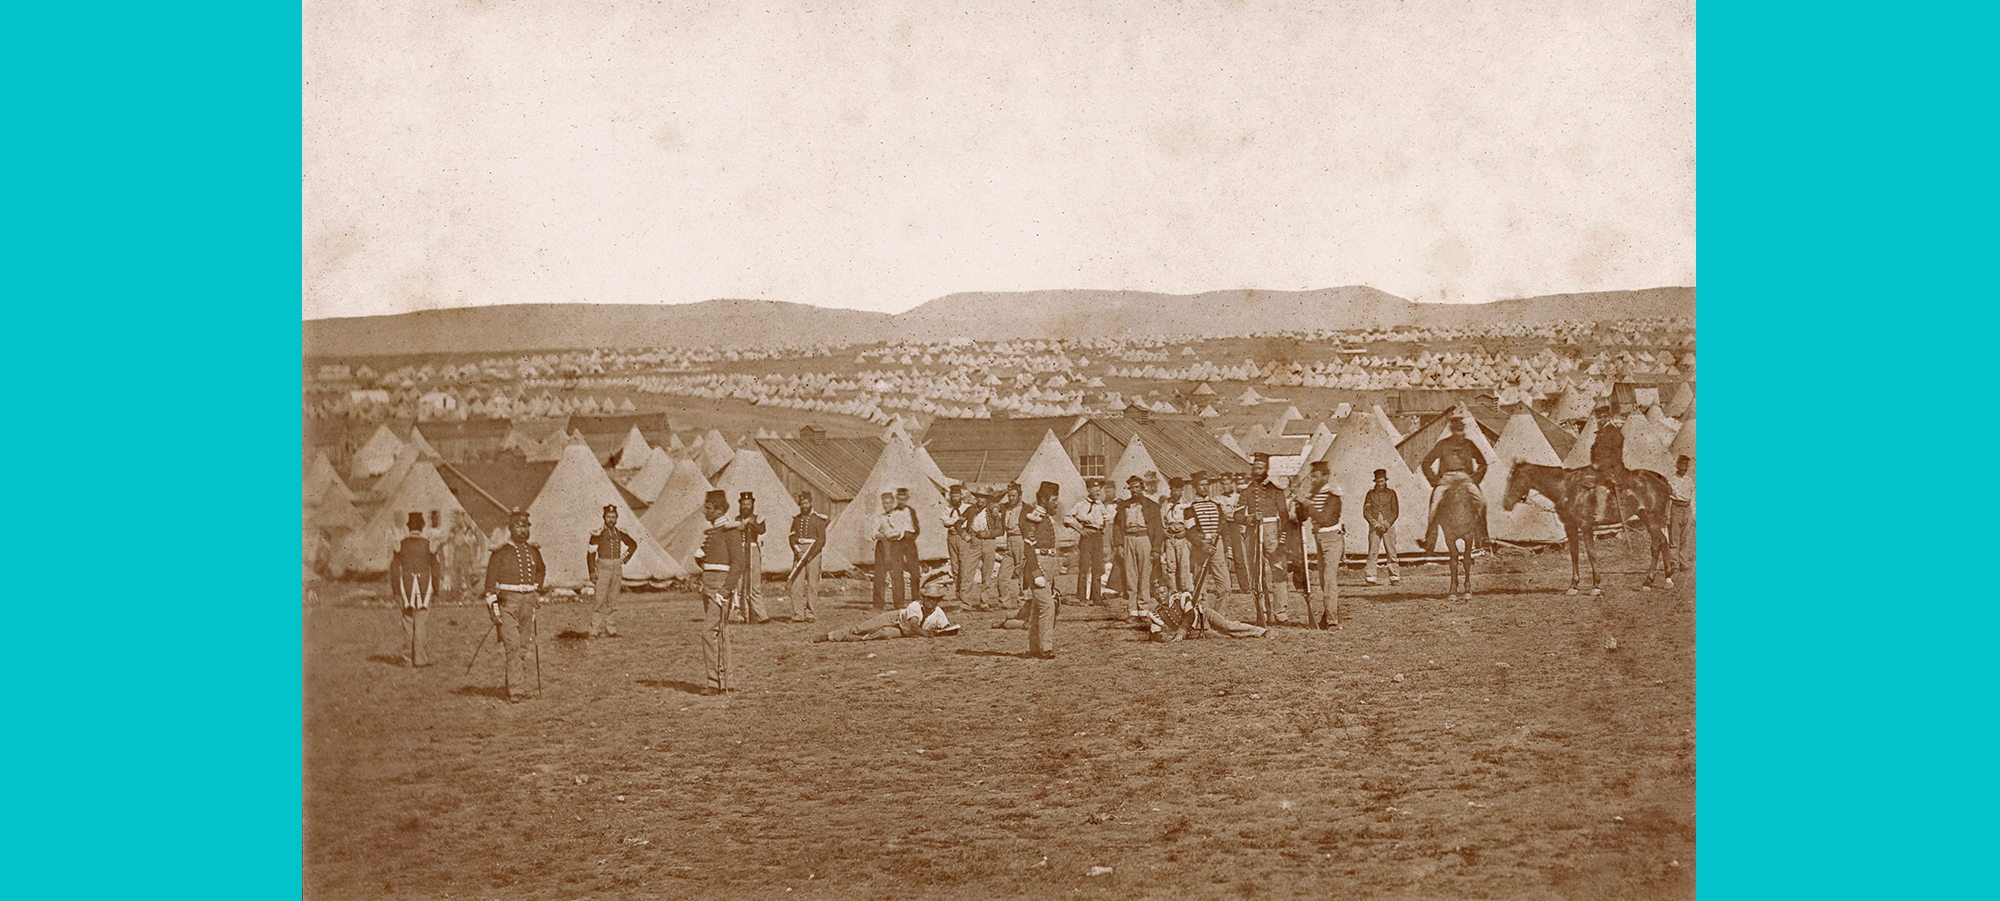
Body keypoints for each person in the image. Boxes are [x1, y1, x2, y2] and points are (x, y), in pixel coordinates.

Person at [481, 509, 545, 703]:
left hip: (528, 604)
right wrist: (494, 611)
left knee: (523, 646)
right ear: (511, 528)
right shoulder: (500, 553)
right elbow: (489, 586)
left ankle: (513, 685)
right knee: (513, 647)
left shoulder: (534, 551)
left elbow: (541, 570)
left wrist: (536, 591)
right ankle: (516, 691)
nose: (523, 530)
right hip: (508, 603)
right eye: (519, 526)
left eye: (526, 526)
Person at [1419, 416, 1490, 552]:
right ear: (1452, 430)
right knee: (1435, 505)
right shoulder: (1442, 444)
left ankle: (1483, 538)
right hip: (1447, 478)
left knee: (1481, 502)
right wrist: (1434, 481)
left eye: (1462, 430)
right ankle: (1429, 540)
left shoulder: (1469, 444)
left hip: (1465, 478)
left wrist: (1474, 479)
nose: (1460, 433)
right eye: (1457, 430)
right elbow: (1426, 462)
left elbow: (1483, 464)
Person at [692, 490, 737, 695]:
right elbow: (706, 559)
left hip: (720, 586)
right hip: (709, 583)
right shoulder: (712, 532)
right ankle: (725, 680)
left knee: (708, 632)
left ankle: (714, 682)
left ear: (719, 509)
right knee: (720, 632)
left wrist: (725, 590)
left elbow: (739, 563)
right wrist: (701, 560)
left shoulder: (730, 531)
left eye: (708, 508)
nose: (704, 512)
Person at [1242, 454, 1295, 625]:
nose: (1257, 471)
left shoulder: (1275, 491)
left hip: (1273, 534)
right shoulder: (1247, 491)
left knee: (1279, 572)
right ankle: (1263, 613)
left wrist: (1283, 540)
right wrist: (1250, 518)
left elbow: (1285, 517)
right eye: (1255, 468)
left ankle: (1281, 613)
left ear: (1266, 469)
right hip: (1253, 534)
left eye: (1260, 468)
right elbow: (1237, 515)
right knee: (1257, 574)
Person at [1298, 461, 1344, 630]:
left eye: (1316, 477)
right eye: (1312, 477)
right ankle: (1328, 615)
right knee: (1324, 582)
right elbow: (1303, 517)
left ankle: (1332, 621)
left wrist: (1307, 504)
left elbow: (1323, 518)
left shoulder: (1332, 496)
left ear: (1325, 476)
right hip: (1320, 539)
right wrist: (1300, 506)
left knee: (1330, 581)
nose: (1313, 480)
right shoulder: (1315, 495)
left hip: (1332, 539)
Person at [388, 512, 437, 666]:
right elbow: (436, 568)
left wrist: (396, 590)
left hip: (406, 587)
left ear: (409, 527)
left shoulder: (401, 545)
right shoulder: (428, 545)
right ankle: (420, 659)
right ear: (422, 527)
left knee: (408, 622)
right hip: (424, 587)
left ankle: (407, 659)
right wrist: (436, 588)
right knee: (420, 622)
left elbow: (394, 569)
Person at [1112, 474, 1164, 619]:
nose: (1134, 490)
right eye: (1132, 488)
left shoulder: (1152, 506)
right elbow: (1116, 527)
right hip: (1128, 539)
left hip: (1144, 539)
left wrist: (1156, 548)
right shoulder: (1124, 506)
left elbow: (1158, 529)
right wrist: (1119, 545)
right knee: (1130, 575)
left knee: (1145, 574)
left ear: (1143, 488)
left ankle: (1144, 609)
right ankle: (1132, 610)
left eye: (1137, 487)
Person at [811, 594, 957, 642]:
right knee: (862, 628)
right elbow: (913, 624)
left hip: (904, 632)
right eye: (928, 599)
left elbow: (947, 628)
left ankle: (847, 638)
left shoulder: (938, 612)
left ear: (938, 601)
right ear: (923, 598)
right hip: (894, 618)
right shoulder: (915, 606)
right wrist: (926, 634)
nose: (931, 602)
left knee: (879, 635)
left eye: (934, 600)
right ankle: (828, 636)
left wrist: (945, 632)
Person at [1023, 481, 1061, 658]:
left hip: (1048, 562)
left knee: (1038, 608)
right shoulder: (1033, 517)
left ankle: (1033, 647)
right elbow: (1028, 548)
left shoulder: (1045, 517)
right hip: (1037, 564)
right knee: (1048, 605)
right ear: (1044, 500)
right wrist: (1036, 572)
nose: (1056, 503)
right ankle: (1045, 648)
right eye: (1054, 499)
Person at [585, 504, 636, 638]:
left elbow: (632, 544)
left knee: (613, 600)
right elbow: (591, 554)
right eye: (608, 517)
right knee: (599, 599)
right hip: (603, 567)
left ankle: (610, 629)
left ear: (617, 518)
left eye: (613, 517)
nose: (611, 520)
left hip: (616, 568)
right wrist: (592, 572)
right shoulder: (598, 533)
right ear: (604, 518)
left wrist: (623, 560)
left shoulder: (620, 532)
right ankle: (594, 630)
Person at [1182, 472, 1231, 606]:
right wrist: (1202, 545)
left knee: (1225, 587)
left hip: (1217, 546)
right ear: (1194, 488)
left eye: (1206, 485)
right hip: (1200, 547)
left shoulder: (1216, 506)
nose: (1204, 488)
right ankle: (1203, 620)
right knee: (1200, 587)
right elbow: (1190, 532)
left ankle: (1219, 618)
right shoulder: (1190, 509)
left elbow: (1224, 530)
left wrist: (1227, 551)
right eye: (1200, 485)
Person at [1067, 480, 1111, 606]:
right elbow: (1068, 518)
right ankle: (1082, 597)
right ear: (1088, 490)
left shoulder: (1100, 505)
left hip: (1098, 537)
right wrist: (1080, 530)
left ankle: (1096, 597)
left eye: (1099, 489)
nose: (1098, 491)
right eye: (1095, 488)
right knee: (1084, 567)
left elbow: (1107, 518)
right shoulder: (1081, 505)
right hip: (1086, 537)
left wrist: (1104, 530)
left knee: (1098, 567)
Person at [788, 491, 828, 623]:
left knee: (812, 584)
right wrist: (798, 551)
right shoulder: (797, 520)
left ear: (811, 503)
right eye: (801, 504)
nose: (804, 506)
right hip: (799, 553)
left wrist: (811, 556)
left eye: (806, 503)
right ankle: (798, 613)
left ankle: (810, 613)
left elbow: (821, 541)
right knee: (796, 584)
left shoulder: (818, 519)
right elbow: (792, 537)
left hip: (813, 553)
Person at [733, 492, 772, 624]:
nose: (746, 507)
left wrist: (751, 523)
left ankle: (761, 615)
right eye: (743, 504)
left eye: (748, 504)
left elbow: (761, 530)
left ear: (752, 505)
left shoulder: (758, 519)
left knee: (754, 584)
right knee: (739, 583)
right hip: (740, 550)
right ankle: (740, 615)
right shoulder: (736, 519)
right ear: (740, 505)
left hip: (753, 549)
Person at [966, 488, 1004, 611]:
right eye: (978, 497)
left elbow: (1000, 530)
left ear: (988, 499)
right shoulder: (971, 509)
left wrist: (987, 534)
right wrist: (965, 535)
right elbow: (957, 523)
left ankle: (984, 602)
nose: (980, 500)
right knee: (968, 571)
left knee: (987, 573)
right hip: (974, 542)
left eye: (983, 497)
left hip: (989, 542)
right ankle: (965, 603)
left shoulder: (993, 510)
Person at [1362, 469, 1403, 586]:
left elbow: (1395, 511)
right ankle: (1370, 577)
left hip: (1388, 524)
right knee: (1372, 551)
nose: (1380, 484)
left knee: (1391, 551)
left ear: (1385, 481)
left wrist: (1387, 524)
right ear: (1375, 481)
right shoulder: (1370, 494)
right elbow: (1366, 512)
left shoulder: (1391, 493)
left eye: (1382, 481)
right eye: (1378, 482)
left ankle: (1394, 576)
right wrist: (1374, 523)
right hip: (1374, 524)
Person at [1587, 410, 1628, 524]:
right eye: (1599, 418)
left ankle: (1599, 514)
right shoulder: (1603, 431)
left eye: (1603, 417)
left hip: (1611, 467)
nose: (1600, 420)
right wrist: (1594, 464)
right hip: (1600, 465)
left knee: (1601, 486)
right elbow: (1594, 449)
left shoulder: (1616, 433)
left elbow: (1616, 456)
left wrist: (1601, 466)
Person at [944, 484, 980, 612]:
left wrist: (953, 521)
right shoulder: (947, 508)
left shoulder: (966, 508)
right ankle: (958, 593)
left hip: (963, 536)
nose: (955, 498)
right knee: (955, 567)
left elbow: (963, 522)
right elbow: (945, 522)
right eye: (953, 496)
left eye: (957, 495)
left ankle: (965, 595)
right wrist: (953, 521)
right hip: (951, 536)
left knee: (964, 564)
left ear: (961, 496)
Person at [870, 492, 903, 611]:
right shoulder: (879, 517)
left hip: (895, 545)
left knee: (897, 574)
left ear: (893, 503)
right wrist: (881, 535)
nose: (886, 505)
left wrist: (884, 533)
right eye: (884, 503)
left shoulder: (898, 516)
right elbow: (874, 533)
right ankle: (878, 604)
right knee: (879, 574)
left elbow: (898, 532)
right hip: (882, 546)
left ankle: (899, 603)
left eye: (888, 502)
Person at [997, 482, 1028, 610]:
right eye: (1009, 496)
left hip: (1021, 540)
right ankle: (1005, 602)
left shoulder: (1027, 509)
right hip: (1009, 541)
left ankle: (1022, 601)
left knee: (1022, 574)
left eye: (1013, 496)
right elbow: (993, 505)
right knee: (1002, 576)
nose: (1011, 498)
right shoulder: (1005, 507)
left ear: (1020, 496)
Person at [893, 487, 922, 605]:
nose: (901, 502)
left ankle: (915, 598)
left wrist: (911, 537)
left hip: (909, 542)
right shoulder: (892, 512)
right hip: (897, 543)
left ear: (907, 499)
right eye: (899, 499)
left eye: (903, 499)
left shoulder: (911, 511)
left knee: (914, 571)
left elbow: (917, 528)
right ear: (896, 499)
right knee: (897, 571)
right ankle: (899, 601)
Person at [1668, 455, 1695, 571]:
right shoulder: (1671, 480)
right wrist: (1667, 515)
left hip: (1687, 508)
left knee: (1686, 537)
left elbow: (1693, 496)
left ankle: (1683, 563)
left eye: (1686, 465)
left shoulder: (1689, 480)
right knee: (1674, 538)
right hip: (1676, 508)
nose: (1684, 468)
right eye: (1682, 465)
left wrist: (1693, 512)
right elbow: (1668, 498)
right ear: (1677, 466)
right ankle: (1674, 563)